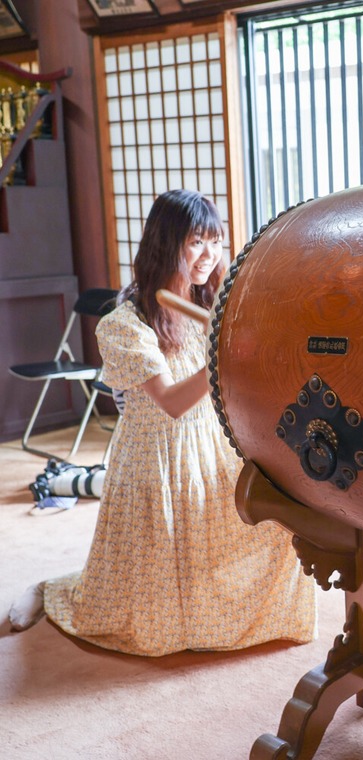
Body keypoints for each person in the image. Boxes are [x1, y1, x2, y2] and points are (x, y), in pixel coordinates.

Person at [8, 189, 316, 656]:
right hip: (157, 458)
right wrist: (222, 356)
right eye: (196, 242)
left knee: (276, 519)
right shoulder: (125, 323)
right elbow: (172, 402)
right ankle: (49, 590)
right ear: (167, 243)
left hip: (210, 444)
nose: (209, 254)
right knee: (150, 598)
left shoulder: (208, 307)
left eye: (215, 241)